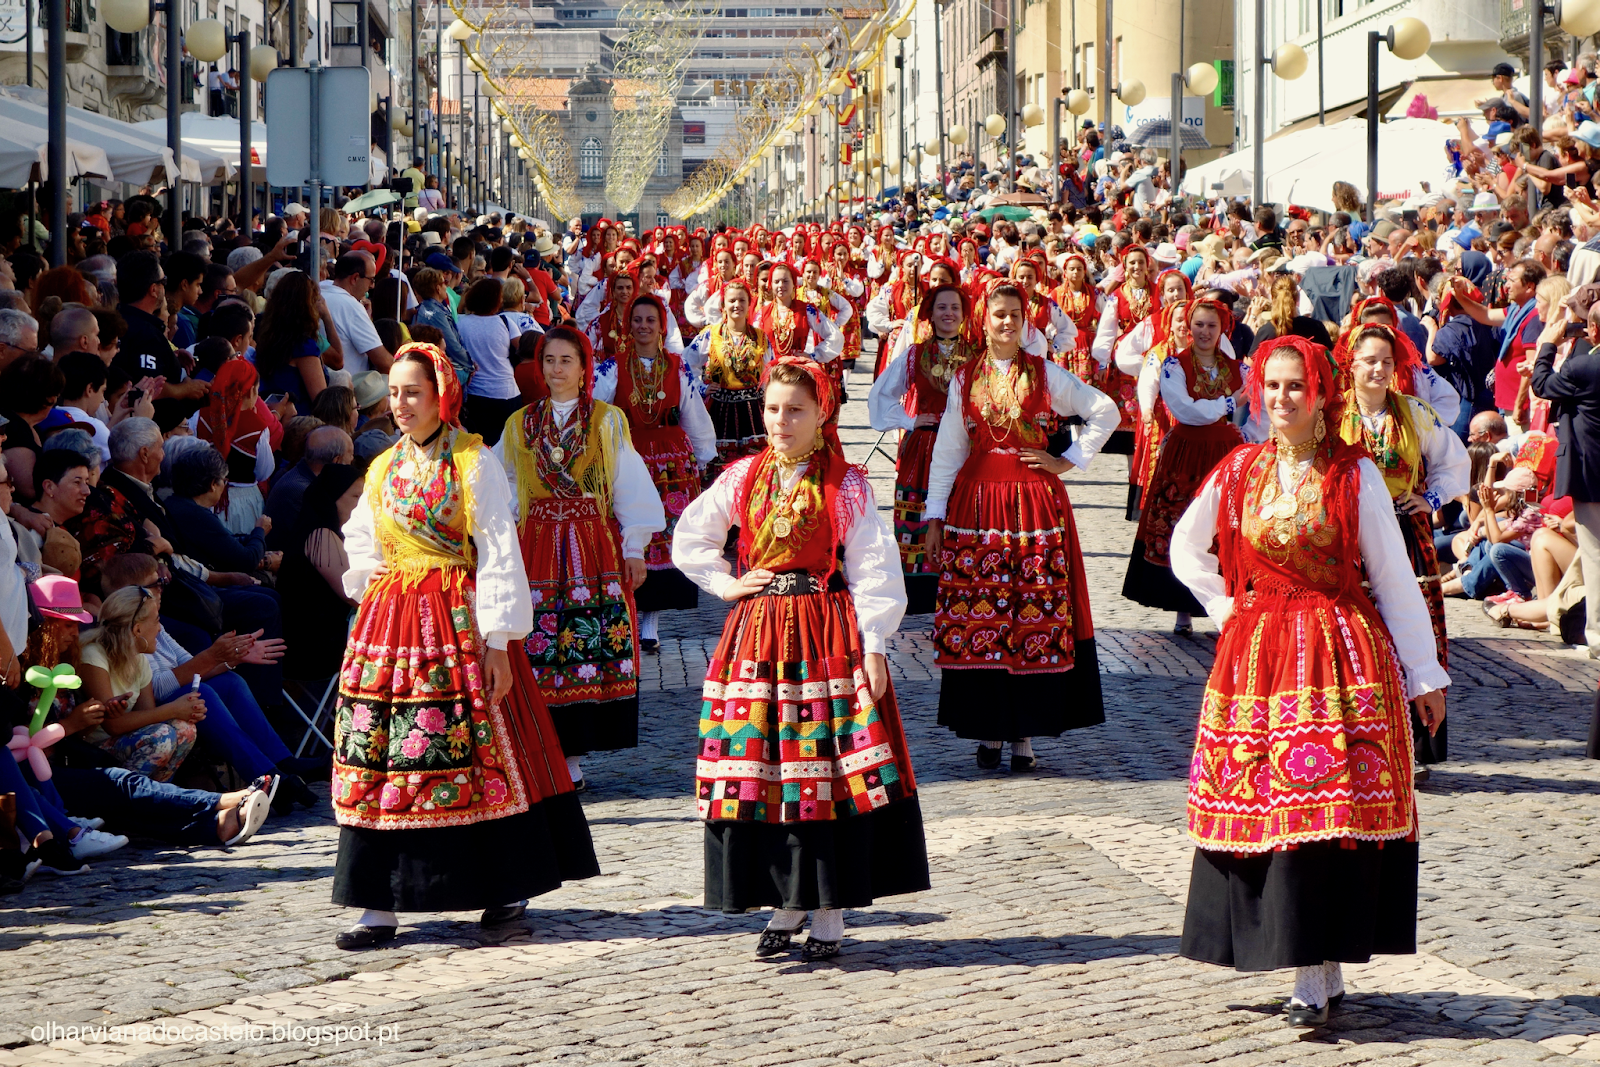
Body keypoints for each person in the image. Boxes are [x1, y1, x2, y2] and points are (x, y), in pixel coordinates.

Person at [1169, 334, 1449, 1028]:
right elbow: (1184, 544)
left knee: (1326, 812)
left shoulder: (1354, 475)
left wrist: (1424, 674)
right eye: (1272, 385)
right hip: (1257, 659)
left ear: (1322, 394)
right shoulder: (1240, 469)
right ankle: (1312, 960)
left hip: (1336, 652)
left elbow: (1392, 578)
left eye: (1296, 385)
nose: (1282, 398)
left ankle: (1316, 967)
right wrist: (1223, 605)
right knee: (1268, 805)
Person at [330, 341, 599, 950]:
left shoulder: (472, 462)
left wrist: (499, 641)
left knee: (474, 746)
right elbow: (361, 535)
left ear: (441, 396)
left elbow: (500, 550)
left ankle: (503, 886)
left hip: (456, 619)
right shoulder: (383, 466)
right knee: (382, 752)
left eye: (413, 393)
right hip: (391, 624)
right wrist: (369, 575)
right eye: (394, 393)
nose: (400, 404)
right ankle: (378, 902)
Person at [672, 355, 930, 961]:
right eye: (772, 409)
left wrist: (874, 645)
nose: (780, 421)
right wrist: (725, 583)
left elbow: (873, 568)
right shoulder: (743, 476)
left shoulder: (846, 484)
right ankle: (786, 902)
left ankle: (829, 910)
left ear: (821, 414)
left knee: (823, 769)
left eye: (795, 410)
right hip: (757, 634)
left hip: (824, 636)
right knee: (764, 769)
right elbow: (691, 537)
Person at [924, 282, 1120, 770]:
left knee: (1031, 610)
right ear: (983, 320)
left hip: (1033, 506)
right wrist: (934, 516)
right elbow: (949, 449)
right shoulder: (965, 377)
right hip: (976, 508)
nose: (1007, 322)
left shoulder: (1044, 372)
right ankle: (990, 730)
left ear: (1025, 320)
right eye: (999, 314)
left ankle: (1024, 738)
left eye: (1015, 314)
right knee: (984, 612)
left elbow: (1104, 410)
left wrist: (1066, 460)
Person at [495, 325, 663, 791]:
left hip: (591, 547)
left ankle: (570, 757)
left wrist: (634, 547)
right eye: (549, 360)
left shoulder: (606, 421)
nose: (556, 369)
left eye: (566, 360)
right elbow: (503, 482)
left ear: (584, 367)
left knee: (582, 645)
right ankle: (541, 750)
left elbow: (627, 483)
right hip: (536, 546)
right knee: (538, 644)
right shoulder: (519, 424)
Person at [1337, 324, 1470, 781]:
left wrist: (1430, 498)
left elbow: (1454, 462)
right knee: (1356, 638)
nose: (1378, 369)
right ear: (1351, 364)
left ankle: (1412, 748)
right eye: (1369, 360)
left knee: (1409, 633)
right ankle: (1355, 747)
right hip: (1349, 539)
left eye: (1386, 362)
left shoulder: (1413, 413)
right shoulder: (1332, 415)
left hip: (1405, 535)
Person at [596, 294, 716, 653]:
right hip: (628, 456)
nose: (643, 326)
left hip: (670, 462)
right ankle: (628, 612)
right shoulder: (613, 367)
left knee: (664, 536)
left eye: (650, 320)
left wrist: (702, 454)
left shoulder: (677, 367)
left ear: (662, 326)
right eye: (637, 320)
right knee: (630, 531)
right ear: (628, 325)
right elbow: (596, 409)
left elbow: (693, 410)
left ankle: (651, 620)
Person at [1122, 298, 1246, 632]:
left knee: (1225, 526)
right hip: (1187, 450)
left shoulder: (1236, 367)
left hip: (1225, 452)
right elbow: (1186, 410)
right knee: (1179, 523)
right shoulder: (1174, 365)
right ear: (1189, 327)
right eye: (1199, 324)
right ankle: (1182, 610)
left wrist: (1246, 434)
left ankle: (1228, 607)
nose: (1204, 332)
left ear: (1223, 329)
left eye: (1212, 325)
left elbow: (1258, 406)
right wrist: (1229, 403)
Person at [867, 283, 979, 615]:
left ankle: (961, 585)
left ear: (964, 314)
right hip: (925, 444)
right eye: (942, 307)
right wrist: (910, 419)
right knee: (917, 513)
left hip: (966, 448)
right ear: (930, 313)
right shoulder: (915, 354)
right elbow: (880, 394)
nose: (949, 313)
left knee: (962, 512)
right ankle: (918, 592)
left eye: (955, 307)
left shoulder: (978, 355)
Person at [1531, 302, 1600, 657]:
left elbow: (1541, 384)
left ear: (1593, 329)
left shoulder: (1583, 366)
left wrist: (1548, 344)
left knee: (1595, 556)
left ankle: (1598, 636)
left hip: (1593, 475)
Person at [274, 463, 363, 680]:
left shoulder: (320, 530)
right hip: (314, 646)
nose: (362, 505)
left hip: (317, 638)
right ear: (333, 498)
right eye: (356, 497)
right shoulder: (321, 535)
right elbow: (353, 594)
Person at [686, 279, 774, 475]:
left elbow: (770, 370)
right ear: (723, 305)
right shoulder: (711, 334)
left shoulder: (760, 336)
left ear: (749, 304)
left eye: (742, 300)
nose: (737, 305)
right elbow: (687, 363)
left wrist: (768, 397)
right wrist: (701, 387)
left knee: (754, 467)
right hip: (720, 408)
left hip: (753, 411)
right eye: (732, 300)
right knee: (720, 468)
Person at [456, 277, 525, 445]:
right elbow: (522, 349)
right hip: (508, 392)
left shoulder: (460, 323)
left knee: (480, 448)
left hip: (476, 395)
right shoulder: (505, 322)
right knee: (508, 447)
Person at [253, 269, 331, 416]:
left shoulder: (266, 335)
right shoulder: (303, 346)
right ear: (308, 306)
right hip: (300, 420)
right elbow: (320, 400)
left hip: (273, 415)